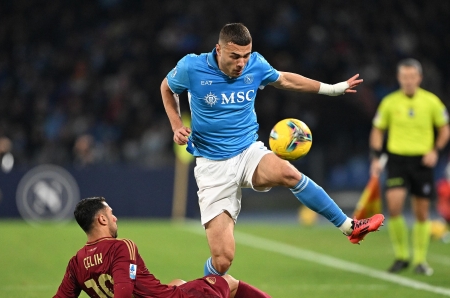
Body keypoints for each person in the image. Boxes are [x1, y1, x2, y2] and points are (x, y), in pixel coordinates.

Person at [160, 22, 385, 278]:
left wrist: (332, 89)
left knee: (289, 174)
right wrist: (176, 125)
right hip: (212, 166)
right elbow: (167, 88)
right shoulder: (192, 67)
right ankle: (205, 291)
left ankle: (350, 227)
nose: (241, 63)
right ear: (218, 50)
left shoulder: (255, 64)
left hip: (247, 152)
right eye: (234, 56)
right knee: (223, 260)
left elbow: (286, 80)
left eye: (246, 56)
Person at [54, 197, 271, 298]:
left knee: (179, 282)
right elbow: (123, 292)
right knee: (228, 282)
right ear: (101, 220)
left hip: (163, 293)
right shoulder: (121, 247)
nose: (115, 218)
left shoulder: (76, 262)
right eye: (111, 214)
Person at [369, 58, 450, 275]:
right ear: (399, 78)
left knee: (422, 212)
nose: (408, 81)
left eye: (412, 76)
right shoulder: (389, 102)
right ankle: (402, 256)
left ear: (419, 78)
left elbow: (444, 130)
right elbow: (377, 130)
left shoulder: (432, 102)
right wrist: (377, 156)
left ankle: (421, 260)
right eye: (404, 77)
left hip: (422, 161)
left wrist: (435, 151)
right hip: (397, 160)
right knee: (394, 206)